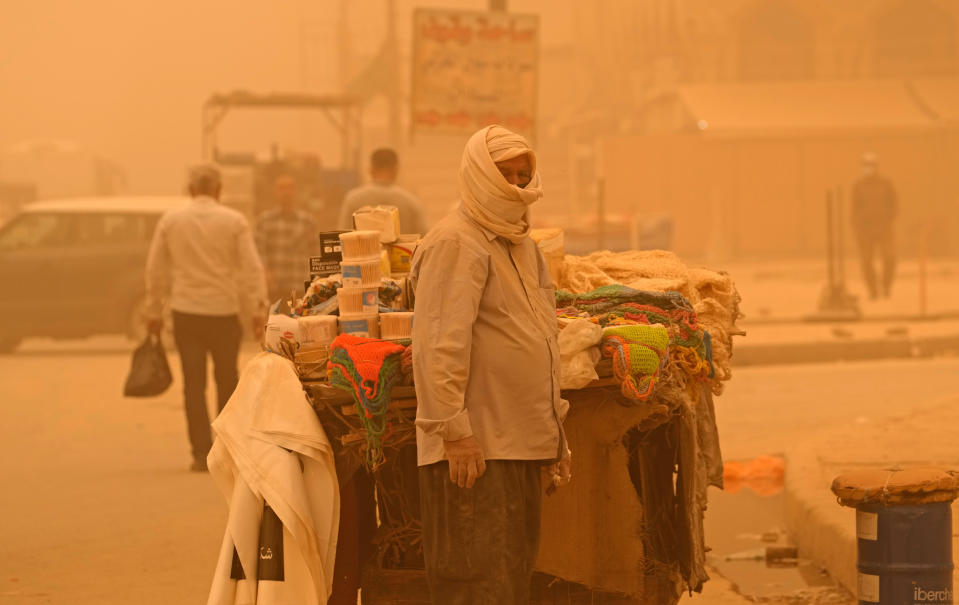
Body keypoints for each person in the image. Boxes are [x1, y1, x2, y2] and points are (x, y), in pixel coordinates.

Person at [409, 125, 572, 604]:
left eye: (525, 175)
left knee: (509, 584)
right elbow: (439, 343)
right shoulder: (457, 241)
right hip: (475, 450)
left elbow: (543, 336)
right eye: (507, 174)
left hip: (517, 445)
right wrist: (455, 433)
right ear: (480, 174)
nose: (518, 186)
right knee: (477, 586)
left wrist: (555, 436)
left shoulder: (523, 245)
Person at [144, 164, 267, 472]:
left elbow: (156, 270)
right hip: (223, 312)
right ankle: (227, 451)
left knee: (193, 384)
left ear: (189, 190)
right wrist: (257, 309)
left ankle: (200, 453)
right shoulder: (234, 221)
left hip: (186, 312)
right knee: (227, 381)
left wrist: (153, 310)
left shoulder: (171, 221)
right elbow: (251, 269)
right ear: (218, 190)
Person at [255, 172, 321, 304]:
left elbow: (315, 256)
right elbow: (258, 254)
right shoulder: (264, 221)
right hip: (274, 289)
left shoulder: (308, 222)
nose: (286, 192)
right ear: (275, 192)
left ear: (296, 191)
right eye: (281, 188)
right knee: (275, 324)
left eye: (290, 187)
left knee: (298, 324)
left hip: (299, 288)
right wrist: (265, 272)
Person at [337, 148, 428, 235]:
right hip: (403, 251)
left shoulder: (353, 199)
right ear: (396, 170)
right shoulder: (411, 202)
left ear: (370, 169)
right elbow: (424, 238)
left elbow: (341, 236)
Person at [851, 152, 898, 299]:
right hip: (865, 230)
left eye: (871, 165)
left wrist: (888, 219)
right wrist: (857, 227)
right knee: (866, 261)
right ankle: (872, 290)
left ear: (876, 167)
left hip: (884, 228)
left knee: (889, 259)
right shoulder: (858, 186)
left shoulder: (886, 184)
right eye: (865, 165)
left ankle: (886, 287)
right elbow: (855, 208)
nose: (868, 168)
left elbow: (894, 204)